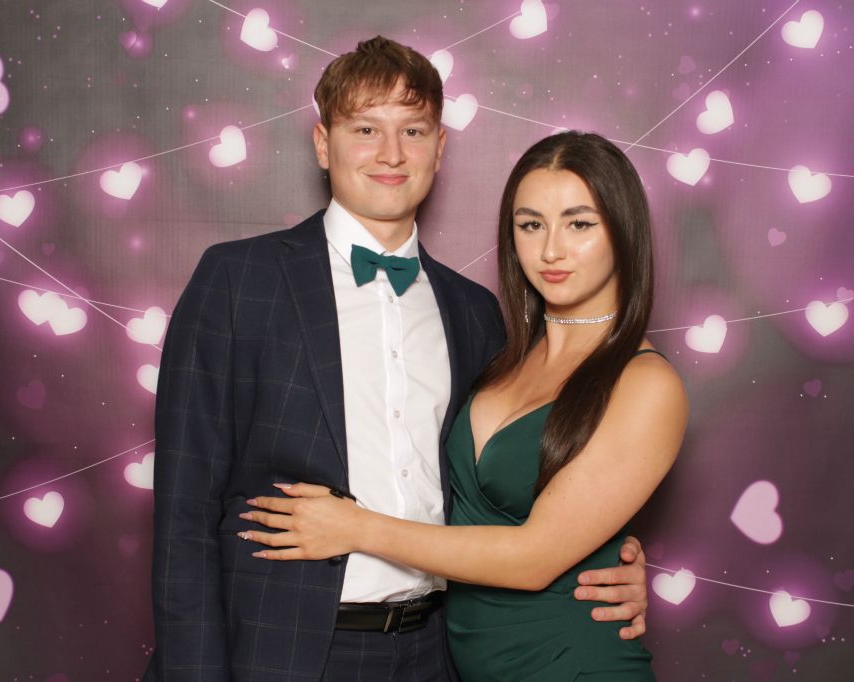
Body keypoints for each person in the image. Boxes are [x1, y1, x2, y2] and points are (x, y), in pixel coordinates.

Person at [146, 37, 650, 681]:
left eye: (413, 130)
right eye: (365, 129)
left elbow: (510, 489)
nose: (391, 153)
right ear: (322, 144)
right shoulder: (238, 281)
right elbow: (184, 513)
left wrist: (606, 560)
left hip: (438, 653)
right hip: (278, 652)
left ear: (439, 148)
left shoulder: (475, 312)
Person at [238, 131, 688, 680]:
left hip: (573, 664)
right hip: (457, 666)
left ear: (623, 231)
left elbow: (534, 559)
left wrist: (356, 528)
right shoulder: (500, 348)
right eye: (531, 225)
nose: (551, 250)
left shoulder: (646, 383)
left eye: (579, 224)